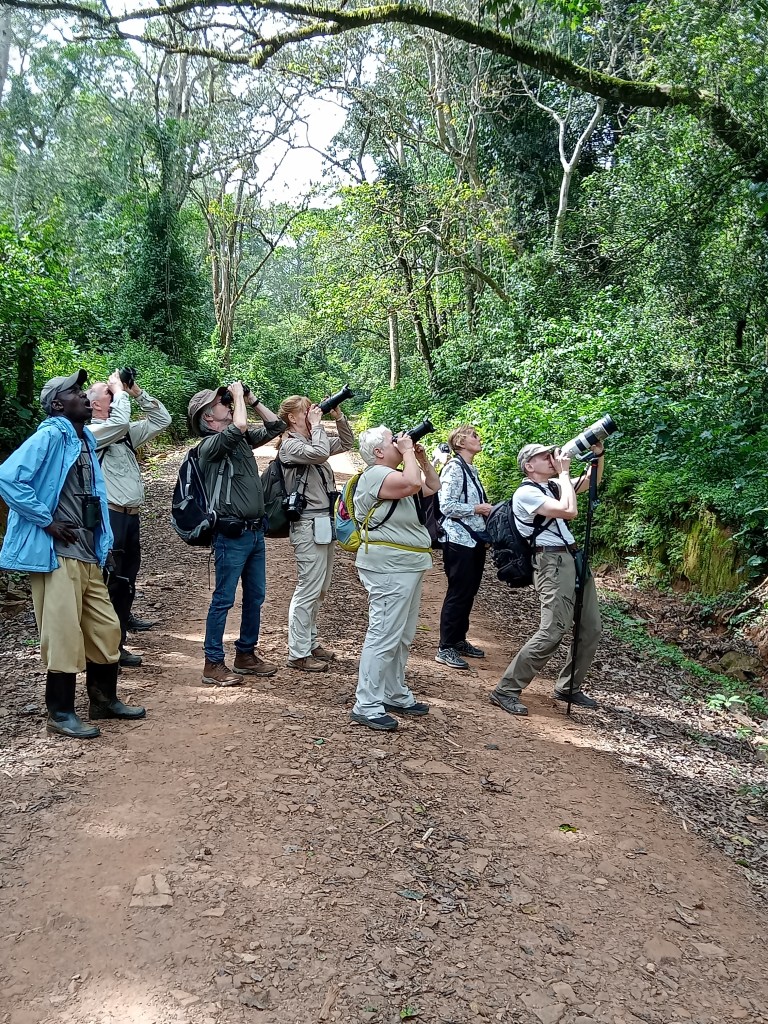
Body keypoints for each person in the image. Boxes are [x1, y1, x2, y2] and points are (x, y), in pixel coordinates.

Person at [0, 369, 146, 739]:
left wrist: (103, 545)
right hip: (55, 554)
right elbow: (8, 477)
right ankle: (60, 712)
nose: (83, 395)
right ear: (56, 404)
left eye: (82, 390)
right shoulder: (50, 434)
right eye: (74, 392)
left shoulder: (84, 439)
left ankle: (103, 701)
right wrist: (45, 520)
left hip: (86, 553)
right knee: (63, 633)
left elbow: (94, 496)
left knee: (106, 628)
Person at [489, 442, 605, 717]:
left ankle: (569, 686)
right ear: (529, 465)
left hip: (573, 558)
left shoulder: (552, 486)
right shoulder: (526, 493)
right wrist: (564, 473)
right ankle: (506, 689)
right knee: (553, 630)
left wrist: (598, 456)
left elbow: (592, 481)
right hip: (551, 563)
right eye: (544, 456)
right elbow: (569, 511)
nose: (552, 458)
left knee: (591, 627)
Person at [187, 382, 285, 686]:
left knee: (255, 596)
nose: (228, 404)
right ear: (208, 417)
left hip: (254, 532)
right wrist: (239, 397)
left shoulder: (239, 441)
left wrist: (251, 398)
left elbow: (276, 426)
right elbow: (240, 425)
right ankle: (213, 662)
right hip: (230, 534)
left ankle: (245, 654)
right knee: (223, 599)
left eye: (227, 400)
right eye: (221, 403)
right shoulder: (210, 446)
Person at [350, 425, 441, 732]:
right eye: (393, 441)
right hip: (390, 566)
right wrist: (407, 453)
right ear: (378, 452)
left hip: (407, 564)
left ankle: (393, 692)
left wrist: (420, 458)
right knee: (384, 633)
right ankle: (366, 704)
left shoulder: (398, 477)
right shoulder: (375, 475)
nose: (401, 441)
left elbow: (432, 485)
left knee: (401, 634)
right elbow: (414, 483)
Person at [87, 370, 172, 667]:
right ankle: (108, 649)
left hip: (130, 517)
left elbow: (162, 420)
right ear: (96, 405)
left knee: (126, 580)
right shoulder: (92, 433)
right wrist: (119, 392)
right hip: (109, 516)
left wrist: (135, 391)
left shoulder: (122, 434)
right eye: (109, 393)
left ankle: (118, 637)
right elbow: (120, 421)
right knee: (110, 582)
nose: (115, 394)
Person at [277, 395, 355, 672]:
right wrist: (318, 425)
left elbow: (347, 443)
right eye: (306, 411)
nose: (312, 413)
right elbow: (320, 453)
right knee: (308, 588)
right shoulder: (290, 445)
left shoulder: (312, 440)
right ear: (292, 418)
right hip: (307, 523)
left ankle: (310, 642)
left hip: (324, 521)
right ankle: (298, 652)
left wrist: (338, 416)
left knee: (320, 588)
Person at [435, 425, 493, 670]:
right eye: (473, 435)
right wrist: (477, 509)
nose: (479, 438)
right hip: (458, 540)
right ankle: (445, 647)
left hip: (473, 539)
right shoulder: (454, 468)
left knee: (468, 592)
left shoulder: (470, 469)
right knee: (458, 593)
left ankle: (458, 639)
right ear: (459, 442)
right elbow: (446, 505)